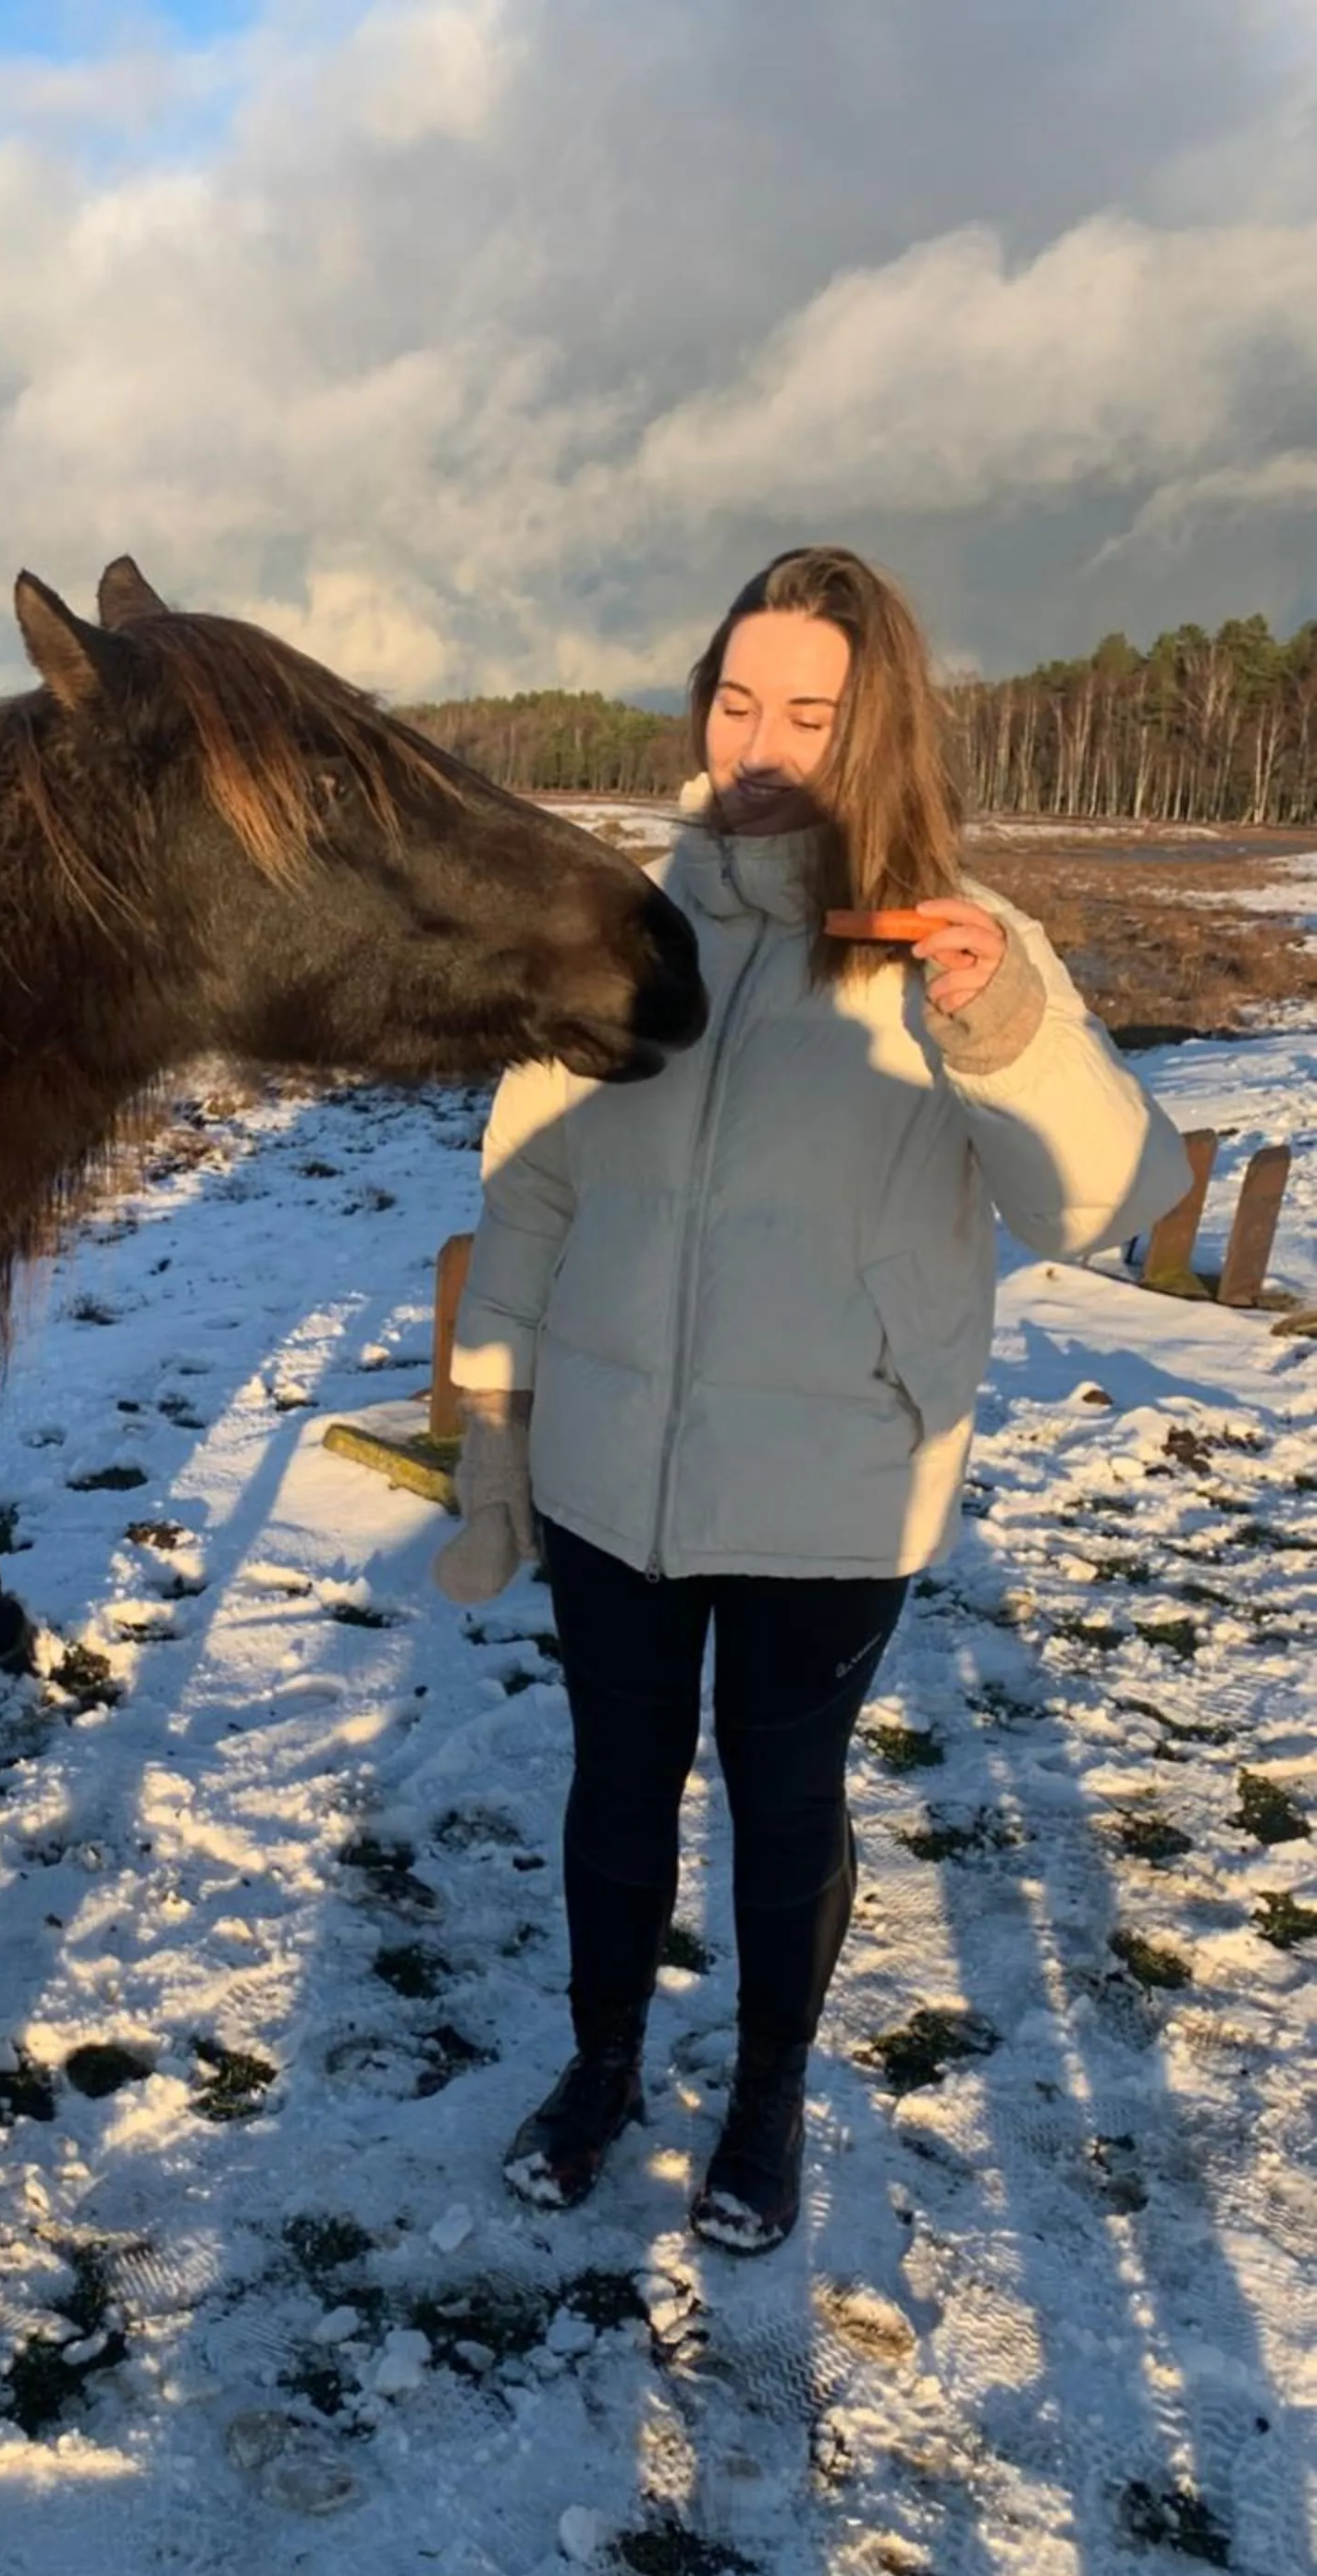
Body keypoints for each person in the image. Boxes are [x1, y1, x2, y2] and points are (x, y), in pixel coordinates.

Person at [433, 544, 1190, 2254]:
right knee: (614, 1789)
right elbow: (532, 1188)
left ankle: (767, 2091)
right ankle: (602, 2066)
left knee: (783, 1804)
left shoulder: (959, 945)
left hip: (836, 1481)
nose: (763, 739)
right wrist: (498, 1419)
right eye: (735, 697)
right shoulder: (616, 936)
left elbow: (1107, 1197)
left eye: (811, 710)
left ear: (877, 733)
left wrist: (1000, 1028)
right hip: (613, 1464)